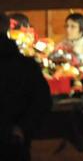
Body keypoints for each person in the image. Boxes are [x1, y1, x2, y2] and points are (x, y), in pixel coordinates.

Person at [0, 12, 52, 161]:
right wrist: (23, 128)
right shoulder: (27, 65)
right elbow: (43, 102)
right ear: (6, 29)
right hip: (15, 143)